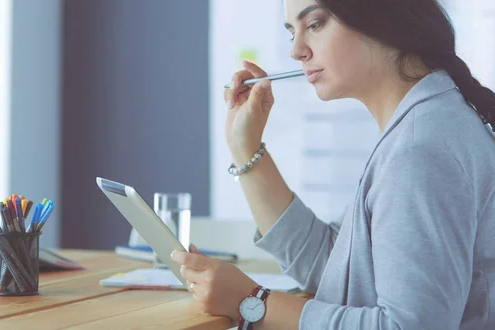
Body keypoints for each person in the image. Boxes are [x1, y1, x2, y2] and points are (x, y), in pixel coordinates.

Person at [170, 0, 495, 329]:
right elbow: (338, 268)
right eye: (291, 33)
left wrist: (251, 301)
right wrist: (246, 149)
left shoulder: (417, 152)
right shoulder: (424, 126)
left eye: (314, 24)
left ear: (380, 17)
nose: (296, 51)